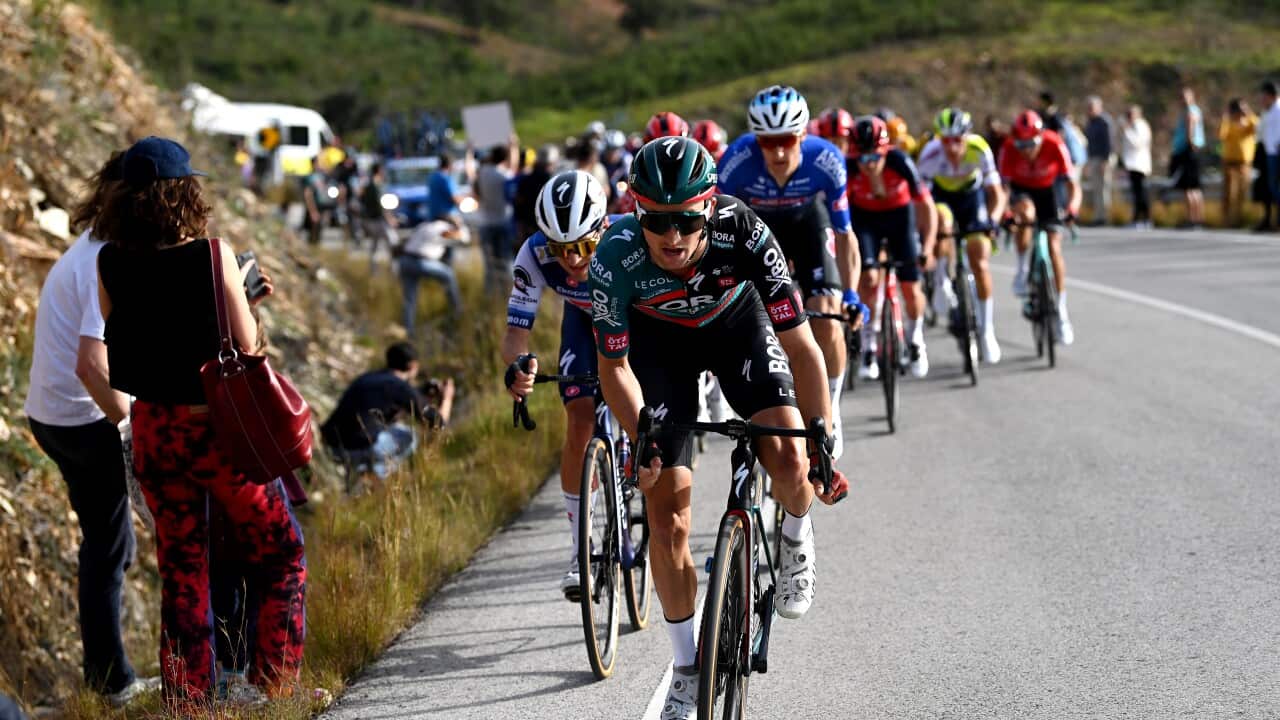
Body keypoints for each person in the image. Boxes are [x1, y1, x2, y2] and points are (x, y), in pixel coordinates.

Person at [588, 137, 847, 719]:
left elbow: (803, 347)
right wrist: (642, 436)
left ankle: (797, 539)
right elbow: (615, 367)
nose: (672, 235)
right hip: (659, 350)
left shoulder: (745, 231)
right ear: (636, 209)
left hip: (737, 327)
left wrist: (820, 433)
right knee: (666, 514)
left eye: (685, 218)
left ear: (709, 207)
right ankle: (686, 670)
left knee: (788, 460)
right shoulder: (614, 257)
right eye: (657, 219)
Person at [94, 136, 306, 707]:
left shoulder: (108, 260)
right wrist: (246, 305)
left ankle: (190, 699)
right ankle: (274, 685)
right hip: (215, 431)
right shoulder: (213, 256)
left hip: (153, 432)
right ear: (185, 193)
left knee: (183, 566)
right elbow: (246, 345)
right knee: (281, 551)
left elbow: (122, 348)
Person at [23, 152, 160, 708]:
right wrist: (129, 428)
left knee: (107, 545)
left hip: (52, 413)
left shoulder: (90, 246)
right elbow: (91, 362)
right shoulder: (105, 258)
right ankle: (111, 683)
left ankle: (108, 677)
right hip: (82, 419)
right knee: (109, 548)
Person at [716, 85, 865, 460]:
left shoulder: (827, 159)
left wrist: (851, 294)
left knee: (828, 320)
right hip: (757, 230)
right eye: (768, 142)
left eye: (786, 140)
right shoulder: (735, 161)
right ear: (756, 139)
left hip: (805, 228)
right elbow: (714, 233)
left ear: (802, 135)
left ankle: (829, 410)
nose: (778, 152)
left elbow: (845, 236)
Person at [502, 170, 619, 600]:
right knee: (579, 423)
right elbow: (516, 334)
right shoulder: (532, 255)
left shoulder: (628, 239)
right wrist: (518, 366)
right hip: (582, 322)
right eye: (560, 249)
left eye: (584, 247)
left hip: (636, 321)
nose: (572, 260)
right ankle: (579, 551)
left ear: (603, 228)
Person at [847, 115, 938, 378]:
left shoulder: (900, 162)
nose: (869, 165)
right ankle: (868, 344)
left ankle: (915, 337)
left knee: (910, 287)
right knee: (869, 278)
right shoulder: (849, 167)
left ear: (886, 151)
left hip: (900, 218)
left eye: (875, 157)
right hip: (865, 221)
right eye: (862, 159)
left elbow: (927, 207)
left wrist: (928, 248)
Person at [916, 107, 1007, 363]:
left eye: (957, 140)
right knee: (943, 223)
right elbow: (921, 201)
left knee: (979, 260)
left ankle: (987, 331)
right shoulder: (930, 154)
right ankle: (942, 279)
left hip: (971, 197)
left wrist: (993, 220)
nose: (952, 147)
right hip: (942, 198)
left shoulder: (979, 149)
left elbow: (996, 193)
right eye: (946, 140)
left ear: (966, 137)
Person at [998, 111, 1081, 345]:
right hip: (1021, 191)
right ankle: (1023, 269)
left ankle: (1061, 312)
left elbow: (1072, 185)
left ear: (1041, 136)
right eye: (1021, 144)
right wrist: (1005, 213)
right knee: (1025, 214)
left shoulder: (1055, 143)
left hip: (1047, 191)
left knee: (1055, 247)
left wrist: (1072, 209)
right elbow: (1002, 190)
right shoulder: (1008, 148)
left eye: (1031, 144)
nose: (1026, 150)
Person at [321, 342, 453, 483]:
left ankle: (366, 475)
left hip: (329, 443)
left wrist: (419, 393)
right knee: (408, 436)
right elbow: (439, 424)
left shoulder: (368, 377)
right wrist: (447, 397)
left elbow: (387, 409)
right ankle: (375, 480)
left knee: (394, 429)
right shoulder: (400, 387)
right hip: (352, 450)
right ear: (412, 366)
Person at [397, 218, 465, 333]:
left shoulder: (423, 225)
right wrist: (459, 226)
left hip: (405, 261)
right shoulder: (442, 226)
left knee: (409, 299)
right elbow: (460, 237)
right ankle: (457, 311)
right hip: (421, 262)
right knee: (449, 275)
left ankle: (408, 330)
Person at [476, 142, 518, 292]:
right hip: (503, 221)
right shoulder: (504, 175)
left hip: (486, 223)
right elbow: (514, 167)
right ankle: (510, 292)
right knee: (506, 260)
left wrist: (470, 150)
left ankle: (489, 295)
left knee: (489, 264)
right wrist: (514, 147)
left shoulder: (483, 172)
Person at [1218, 98, 1258, 227]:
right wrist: (1225, 118)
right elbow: (1221, 135)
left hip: (1244, 164)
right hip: (1229, 163)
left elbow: (1258, 127)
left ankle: (1239, 220)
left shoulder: (1249, 123)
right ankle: (1226, 221)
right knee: (1229, 194)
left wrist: (1249, 113)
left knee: (1242, 194)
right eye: (1238, 109)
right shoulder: (1229, 123)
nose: (1240, 112)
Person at [1170, 86, 1206, 228]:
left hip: (1188, 151)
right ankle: (1196, 219)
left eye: (1186, 97)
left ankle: (1194, 219)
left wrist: (1189, 142)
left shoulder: (1191, 111)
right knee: (1193, 188)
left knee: (1190, 188)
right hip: (1189, 150)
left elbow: (1190, 127)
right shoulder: (1189, 111)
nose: (1183, 100)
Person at [513, 144, 559, 244]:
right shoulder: (555, 181)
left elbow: (518, 203)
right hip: (549, 231)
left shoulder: (526, 179)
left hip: (530, 228)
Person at [1120, 105, 1153, 229]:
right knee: (1136, 193)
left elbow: (1137, 143)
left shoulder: (1140, 126)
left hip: (1139, 165)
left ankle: (1145, 219)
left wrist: (1127, 131)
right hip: (1132, 164)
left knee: (1141, 193)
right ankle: (1137, 219)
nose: (1129, 117)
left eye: (1131, 114)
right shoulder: (1132, 126)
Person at [1083, 96, 1115, 225]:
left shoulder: (1104, 121)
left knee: (1104, 188)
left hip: (1103, 158)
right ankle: (1098, 216)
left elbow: (1109, 142)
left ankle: (1105, 217)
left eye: (1092, 108)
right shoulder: (1090, 122)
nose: (1089, 110)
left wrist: (1105, 160)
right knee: (1096, 188)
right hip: (1093, 158)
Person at [1258, 80, 1280, 232]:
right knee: (1272, 187)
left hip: (1277, 153)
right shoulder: (1268, 111)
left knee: (1277, 187)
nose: (1262, 99)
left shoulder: (1279, 110)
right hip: (1269, 151)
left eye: (1264, 96)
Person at [301, 156, 335, 245]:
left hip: (321, 206)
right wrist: (313, 211)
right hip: (313, 207)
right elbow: (308, 194)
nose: (321, 165)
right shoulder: (309, 177)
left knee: (319, 232)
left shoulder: (322, 176)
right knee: (313, 233)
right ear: (314, 164)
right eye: (319, 163)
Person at [426, 153, 468, 223]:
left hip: (433, 216)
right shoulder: (446, 179)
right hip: (447, 216)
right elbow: (455, 198)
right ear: (450, 164)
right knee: (462, 230)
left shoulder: (432, 177)